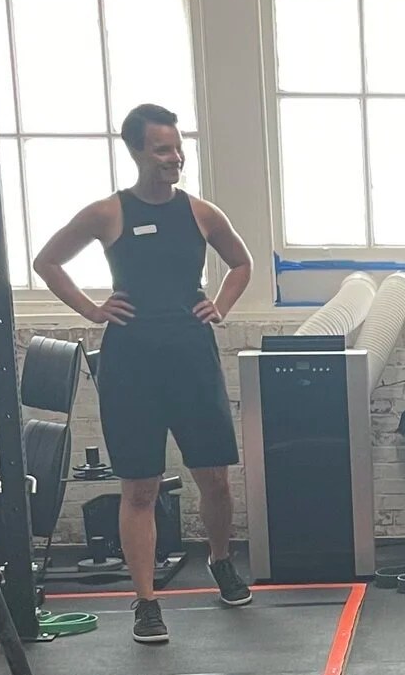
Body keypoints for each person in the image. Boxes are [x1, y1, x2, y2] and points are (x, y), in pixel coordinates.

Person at [33, 103, 257, 644]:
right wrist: (91, 310)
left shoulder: (201, 213)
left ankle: (221, 561)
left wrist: (221, 305)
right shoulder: (107, 213)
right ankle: (146, 601)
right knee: (140, 487)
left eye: (178, 148)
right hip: (131, 363)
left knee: (215, 479)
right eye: (162, 149)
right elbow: (48, 261)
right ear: (135, 151)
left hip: (191, 357)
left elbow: (242, 262)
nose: (174, 158)